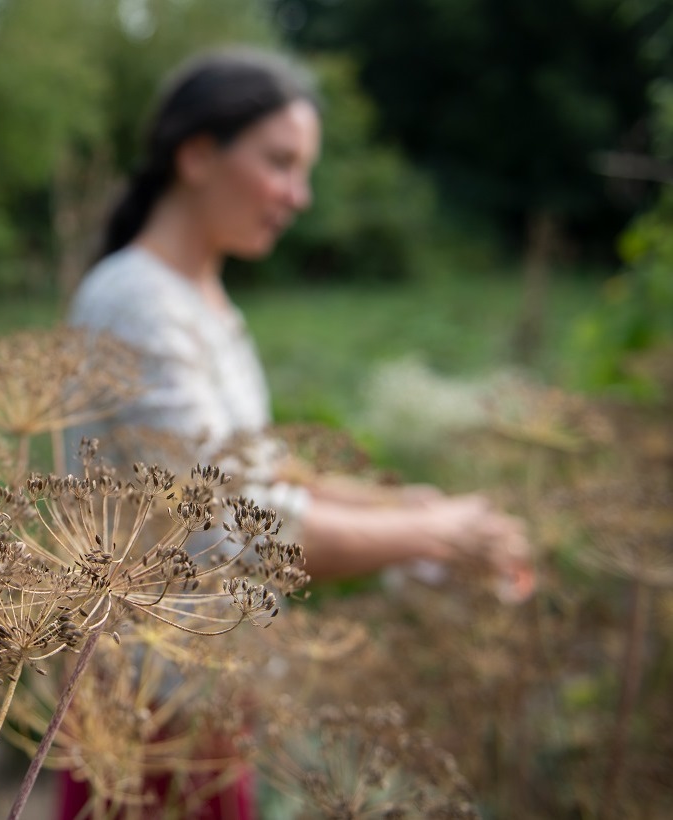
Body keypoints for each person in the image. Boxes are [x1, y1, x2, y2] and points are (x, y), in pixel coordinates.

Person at [60, 48, 532, 819]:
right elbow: (238, 529)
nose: (298, 195)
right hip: (148, 715)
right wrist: (435, 534)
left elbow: (255, 469)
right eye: (280, 163)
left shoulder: (202, 296)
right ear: (198, 154)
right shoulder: (139, 304)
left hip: (206, 688)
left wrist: (396, 507)